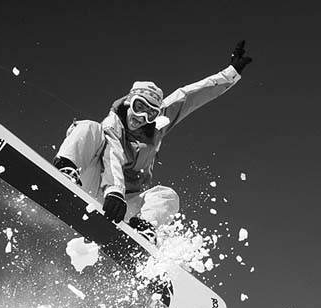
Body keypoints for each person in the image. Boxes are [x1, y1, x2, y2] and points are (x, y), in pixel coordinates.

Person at [54, 40, 252, 243]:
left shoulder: (157, 126)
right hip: (96, 182)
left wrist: (231, 73)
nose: (141, 117)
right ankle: (66, 168)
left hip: (123, 204)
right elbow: (112, 156)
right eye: (139, 107)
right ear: (129, 102)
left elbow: (189, 96)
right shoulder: (112, 124)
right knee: (89, 127)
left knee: (167, 195)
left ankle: (143, 230)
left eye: (150, 114)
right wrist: (114, 192)